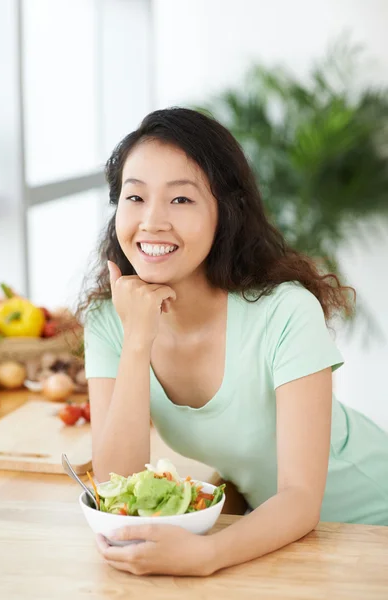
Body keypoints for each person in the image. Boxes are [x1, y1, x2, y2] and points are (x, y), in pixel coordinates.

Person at [79, 107, 388, 577]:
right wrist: (138, 340)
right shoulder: (110, 319)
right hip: (281, 538)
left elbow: (302, 497)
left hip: (370, 523)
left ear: (226, 211)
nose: (153, 221)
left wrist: (207, 555)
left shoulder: (284, 311)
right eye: (135, 196)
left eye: (180, 200)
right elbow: (114, 484)